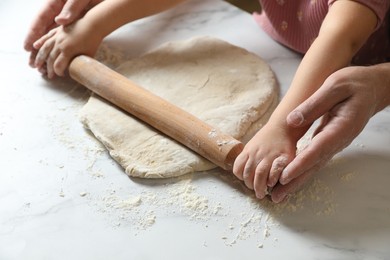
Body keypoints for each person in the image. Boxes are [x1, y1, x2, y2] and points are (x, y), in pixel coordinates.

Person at [24, 0, 390, 203]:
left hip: (356, 70)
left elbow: (341, 37)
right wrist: (94, 24)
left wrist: (283, 127)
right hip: (273, 39)